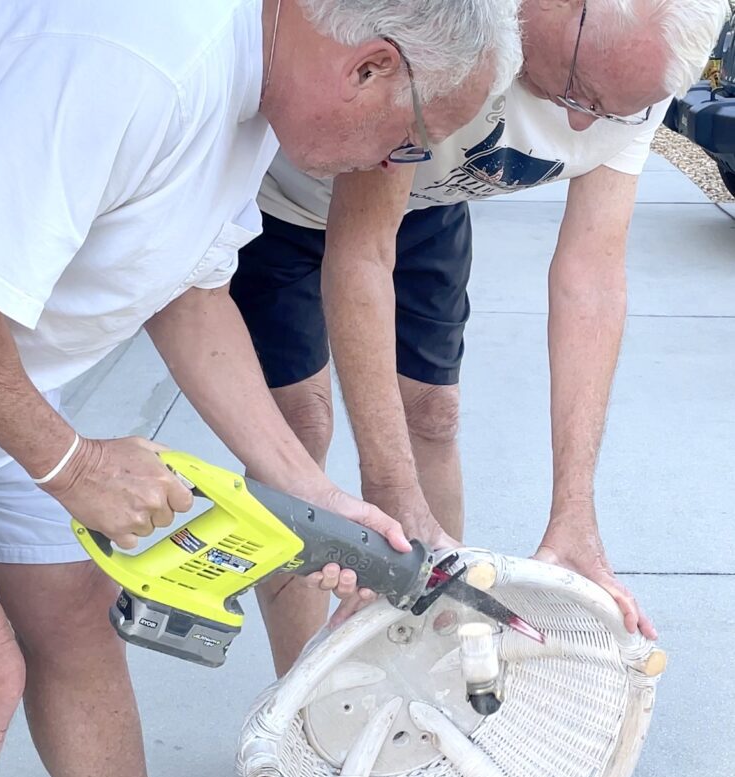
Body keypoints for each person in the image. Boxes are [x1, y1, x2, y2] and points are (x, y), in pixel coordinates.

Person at [0, 1, 513, 777]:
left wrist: (317, 490)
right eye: (412, 144)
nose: (398, 168)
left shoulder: (246, 95)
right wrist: (73, 463)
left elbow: (189, 293)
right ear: (371, 68)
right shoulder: (139, 53)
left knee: (72, 610)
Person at [231, 0, 730, 675]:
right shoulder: (459, 29)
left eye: (611, 111)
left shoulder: (630, 80)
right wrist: (392, 498)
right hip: (290, 207)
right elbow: (360, 255)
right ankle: (305, 694)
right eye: (580, 92)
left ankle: (433, 666)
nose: (580, 123)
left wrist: (572, 512)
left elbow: (591, 276)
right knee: (299, 430)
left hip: (428, 207)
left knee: (433, 415)